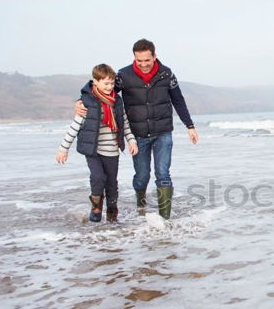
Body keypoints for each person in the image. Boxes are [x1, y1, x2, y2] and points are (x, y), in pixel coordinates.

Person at [75, 39, 198, 219]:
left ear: (154, 56)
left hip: (163, 132)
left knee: (163, 173)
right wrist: (81, 100)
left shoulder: (166, 74)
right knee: (142, 176)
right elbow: (102, 89)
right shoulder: (124, 75)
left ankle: (165, 221)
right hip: (138, 134)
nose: (143, 64)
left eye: (147, 60)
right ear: (134, 57)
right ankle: (141, 202)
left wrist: (190, 126)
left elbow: (178, 100)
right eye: (139, 60)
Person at [57, 64, 138, 222]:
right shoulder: (88, 103)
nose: (110, 87)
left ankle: (112, 213)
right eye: (106, 83)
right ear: (95, 82)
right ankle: (96, 205)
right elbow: (75, 126)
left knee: (112, 185)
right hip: (93, 150)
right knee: (98, 177)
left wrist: (131, 141)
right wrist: (63, 149)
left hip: (112, 150)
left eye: (112, 83)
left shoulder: (117, 102)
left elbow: (124, 123)